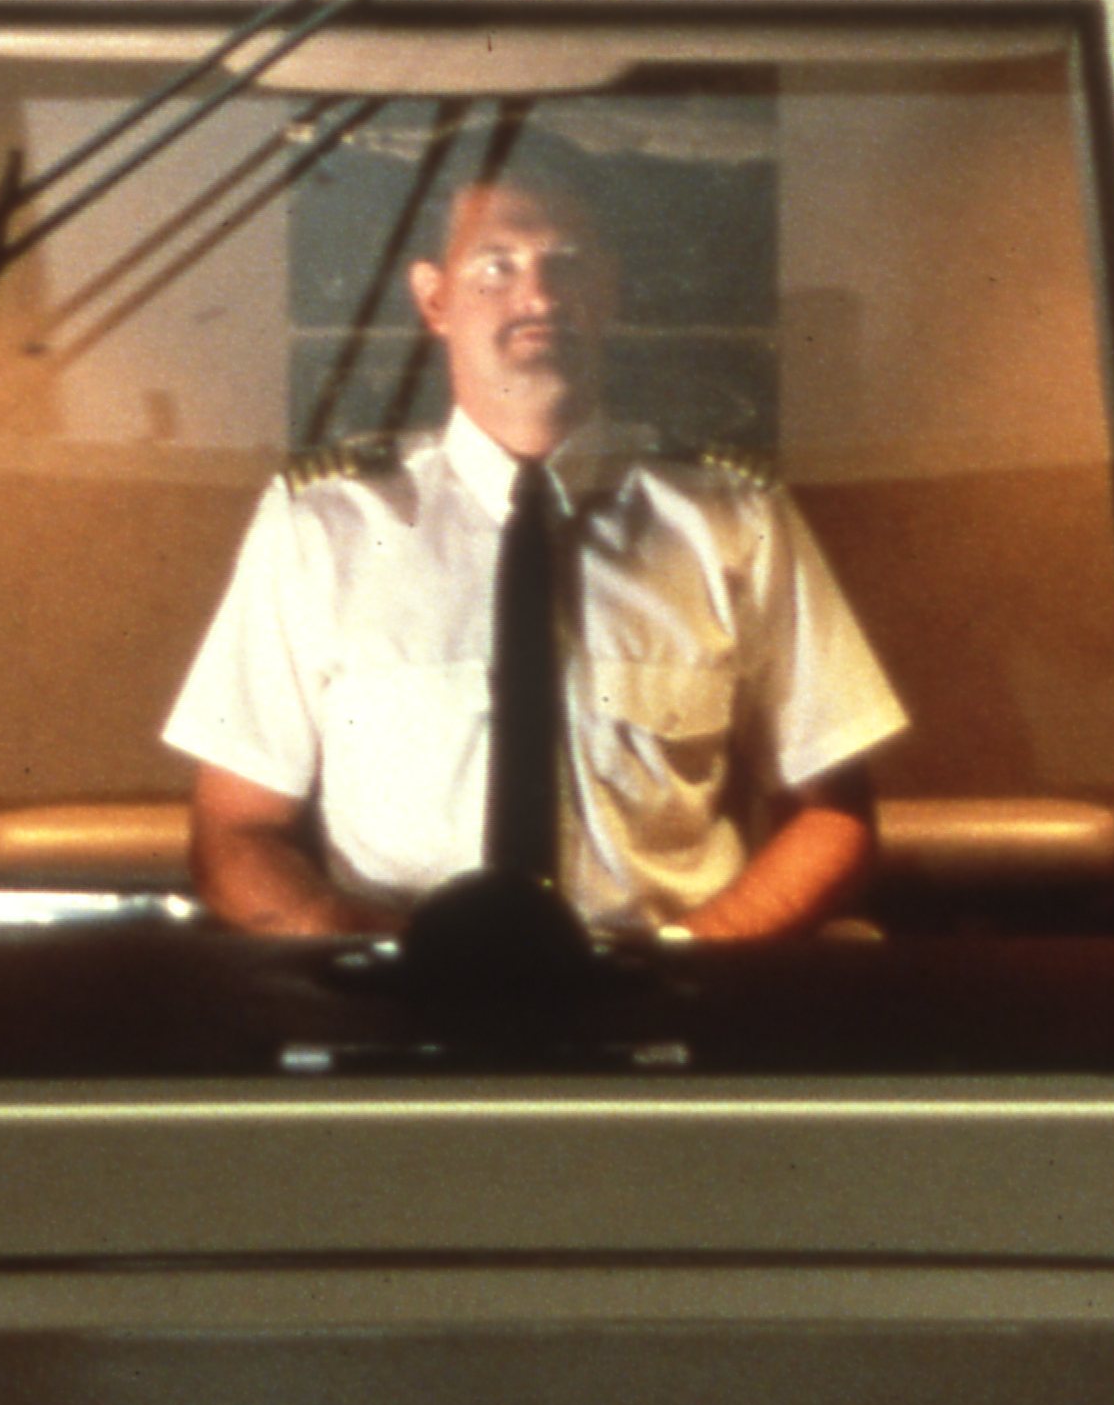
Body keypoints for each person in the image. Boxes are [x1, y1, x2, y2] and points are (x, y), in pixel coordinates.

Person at [165, 154, 899, 944]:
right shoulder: (322, 524)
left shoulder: (730, 518)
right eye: (496, 265)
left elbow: (831, 815)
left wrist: (690, 957)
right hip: (402, 992)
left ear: (607, 290)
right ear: (434, 297)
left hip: (662, 989)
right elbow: (235, 829)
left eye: (566, 263)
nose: (539, 296)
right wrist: (377, 953)